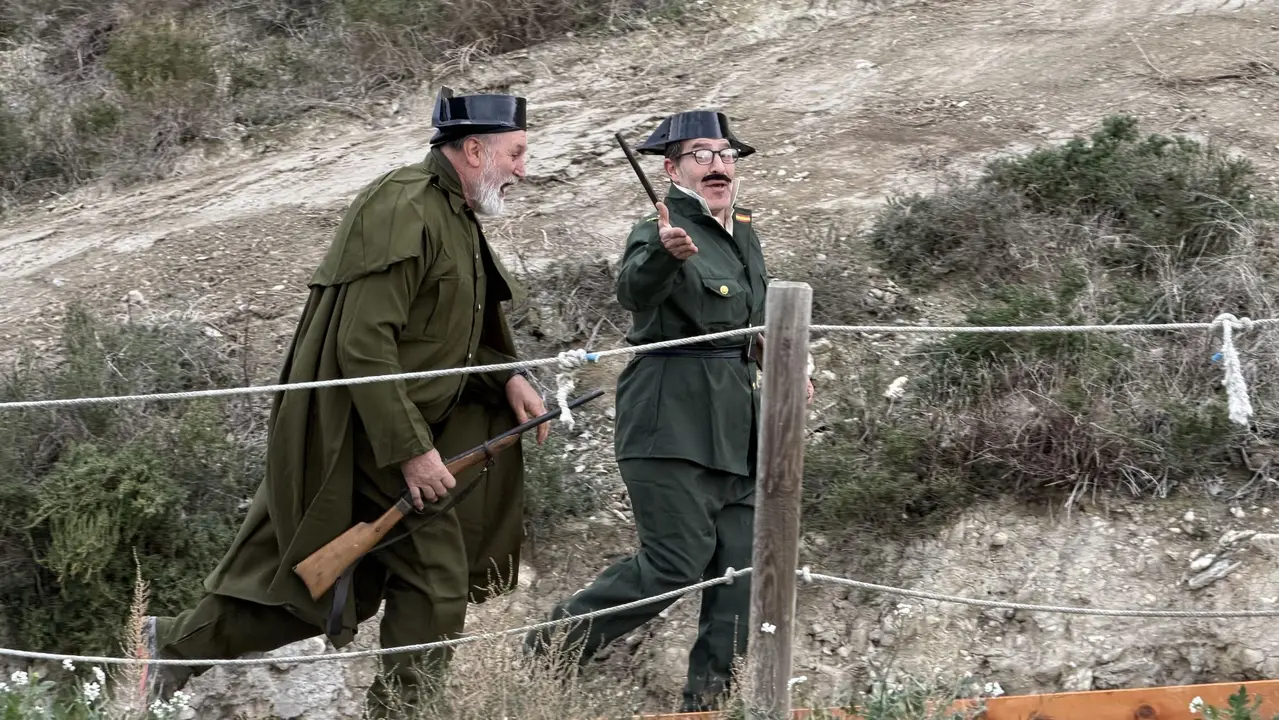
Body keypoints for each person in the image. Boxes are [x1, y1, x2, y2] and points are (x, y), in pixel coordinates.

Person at [138, 86, 550, 717]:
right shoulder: (403, 206)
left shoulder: (454, 213)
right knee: (435, 580)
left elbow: (451, 333)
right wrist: (411, 452)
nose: (524, 169)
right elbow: (364, 344)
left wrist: (507, 377)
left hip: (402, 429)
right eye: (516, 153)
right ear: (474, 151)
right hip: (370, 435)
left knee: (334, 592)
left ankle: (170, 648)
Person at [522, 110, 813, 712]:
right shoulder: (657, 229)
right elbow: (635, 289)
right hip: (671, 422)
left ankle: (708, 707)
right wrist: (664, 253)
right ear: (672, 169)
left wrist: (787, 365)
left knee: (740, 580)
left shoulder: (743, 230)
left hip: (740, 428)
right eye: (701, 154)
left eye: (726, 154)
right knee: (674, 565)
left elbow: (750, 322)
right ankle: (546, 654)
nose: (718, 165)